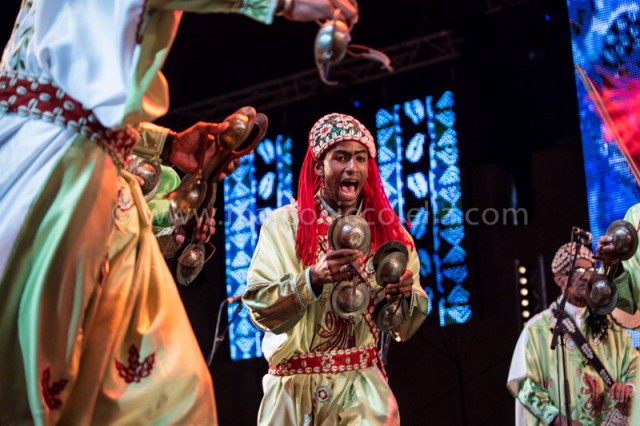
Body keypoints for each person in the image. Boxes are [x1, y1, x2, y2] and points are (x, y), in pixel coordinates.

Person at [0, 1, 358, 424]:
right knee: (33, 394)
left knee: (176, 396)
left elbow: (66, 85)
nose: (352, 169)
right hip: (52, 173)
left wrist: (164, 145)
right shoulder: (283, 223)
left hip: (96, 173)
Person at [242, 113, 429, 425]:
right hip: (294, 389)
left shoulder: (390, 235)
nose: (351, 168)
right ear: (318, 165)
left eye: (360, 158)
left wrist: (403, 297)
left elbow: (404, 328)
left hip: (362, 392)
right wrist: (311, 280)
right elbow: (259, 306)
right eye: (340, 157)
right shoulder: (285, 225)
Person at [507, 242, 638, 425]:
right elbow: (523, 385)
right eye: (577, 271)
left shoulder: (609, 325)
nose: (586, 277)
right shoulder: (537, 330)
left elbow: (634, 365)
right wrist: (557, 419)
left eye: (590, 269)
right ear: (559, 278)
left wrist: (628, 386)